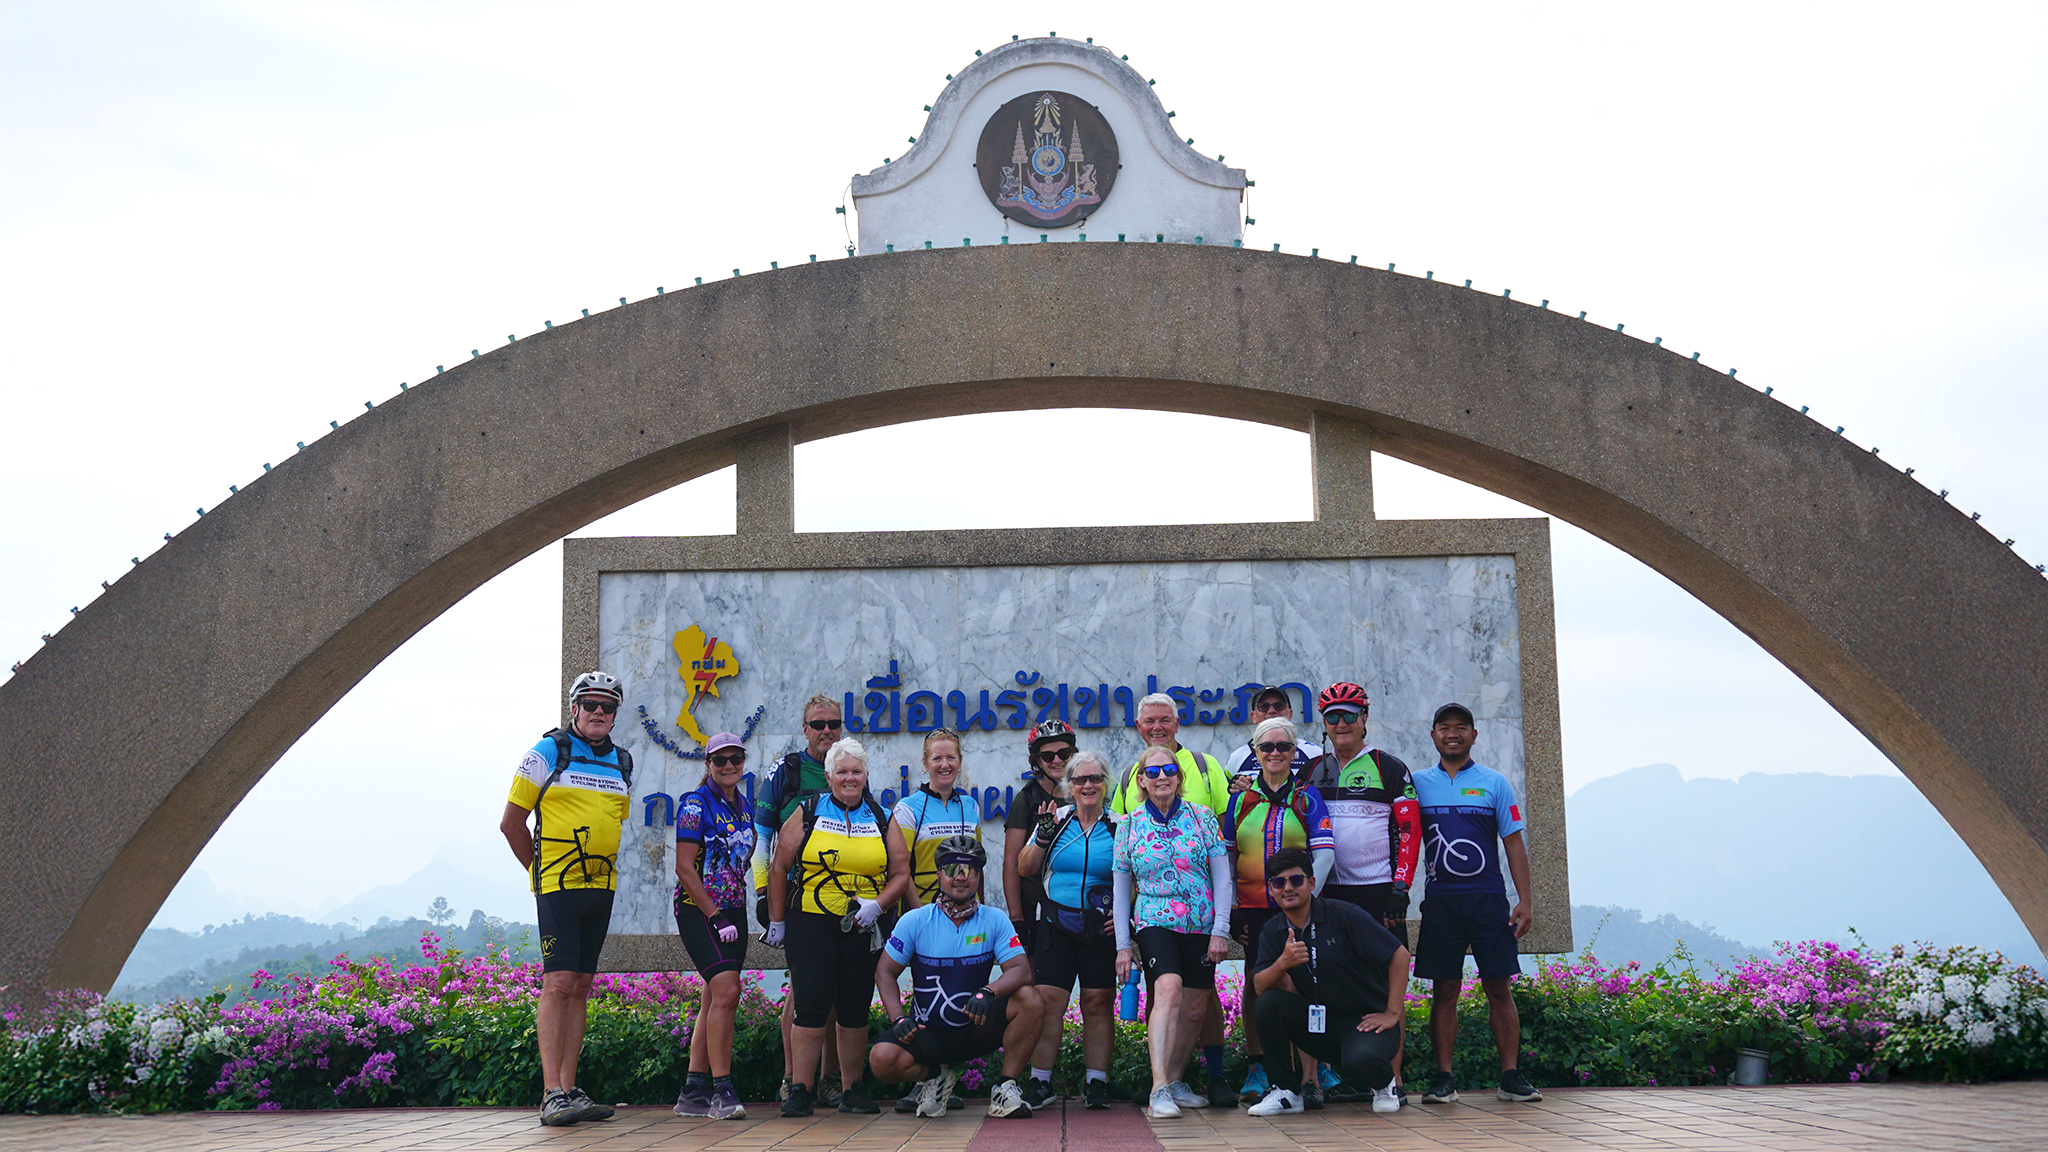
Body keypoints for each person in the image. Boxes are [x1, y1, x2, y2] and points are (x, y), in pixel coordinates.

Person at [499, 671, 633, 1127]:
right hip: (557, 886)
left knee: (580, 985)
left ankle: (571, 1088)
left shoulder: (623, 762)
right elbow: (512, 824)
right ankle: (550, 1092)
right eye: (590, 704)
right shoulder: (547, 752)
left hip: (601, 887)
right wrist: (537, 875)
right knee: (557, 984)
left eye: (607, 706)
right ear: (573, 708)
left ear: (615, 714)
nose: (599, 712)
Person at [766, 736, 911, 1117]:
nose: (850, 778)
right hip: (811, 922)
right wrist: (777, 920)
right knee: (810, 1008)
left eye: (856, 771)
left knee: (854, 1009)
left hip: (862, 925)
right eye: (842, 771)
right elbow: (779, 865)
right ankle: (800, 1088)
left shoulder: (881, 817)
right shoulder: (808, 811)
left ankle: (853, 1089)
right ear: (829, 776)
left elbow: (900, 874)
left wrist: (878, 906)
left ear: (866, 776)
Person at [1411, 703, 1540, 1105]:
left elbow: (1513, 842)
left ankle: (1510, 1076)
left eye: (1461, 727)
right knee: (1445, 989)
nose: (1453, 733)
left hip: (1488, 901)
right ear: (1433, 735)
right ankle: (1443, 1078)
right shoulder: (1415, 784)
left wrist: (1526, 900)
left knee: (1498, 987)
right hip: (1440, 902)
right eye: (1444, 727)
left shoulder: (1494, 782)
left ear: (1473, 735)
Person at [1109, 693, 1234, 1105]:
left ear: (1179, 776)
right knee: (1168, 988)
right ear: (1141, 781)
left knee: (1197, 1006)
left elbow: (1221, 875)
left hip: (1200, 923)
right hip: (1154, 920)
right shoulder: (1128, 825)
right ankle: (1158, 1085)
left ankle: (1177, 1081)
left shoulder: (1201, 818)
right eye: (1153, 772)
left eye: (1169, 770)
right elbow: (1121, 885)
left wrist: (1221, 930)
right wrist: (1123, 945)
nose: (1161, 777)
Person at [1301, 681, 1421, 1099]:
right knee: (1318, 984)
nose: (1341, 723)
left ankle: (1394, 1080)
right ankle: (1315, 1080)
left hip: (1377, 893)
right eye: (1332, 717)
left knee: (1387, 984)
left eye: (1349, 715)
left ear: (1364, 719)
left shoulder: (1389, 767)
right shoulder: (1313, 770)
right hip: (1329, 893)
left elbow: (1409, 829)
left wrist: (1401, 888)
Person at [871, 836, 1045, 1119]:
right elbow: (884, 971)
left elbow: (1021, 970)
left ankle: (1004, 1088)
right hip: (929, 1034)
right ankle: (935, 1079)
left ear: (980, 877)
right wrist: (898, 1018)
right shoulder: (915, 920)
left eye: (971, 871)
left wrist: (989, 992)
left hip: (977, 1027)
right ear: (939, 874)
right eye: (953, 870)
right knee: (881, 1060)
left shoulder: (994, 919)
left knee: (1030, 998)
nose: (961, 878)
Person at [1244, 847, 1410, 1118]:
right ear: (1271, 890)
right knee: (1268, 1004)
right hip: (1321, 1026)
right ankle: (1286, 1092)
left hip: (1366, 1022)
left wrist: (1392, 1013)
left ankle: (1384, 1085)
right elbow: (1261, 987)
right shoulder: (1273, 930)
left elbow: (1400, 955)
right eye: (1278, 882)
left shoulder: (1344, 914)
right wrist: (1283, 963)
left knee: (1361, 1062)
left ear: (1312, 883)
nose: (1287, 888)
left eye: (1296, 880)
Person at [1222, 717, 1335, 1106]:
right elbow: (1227, 857)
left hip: (1297, 909)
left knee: (1306, 985)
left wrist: (1306, 898)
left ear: (1293, 753)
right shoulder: (1240, 800)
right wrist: (1231, 907)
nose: (1274, 753)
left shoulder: (1307, 797)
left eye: (1283, 747)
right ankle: (1263, 1068)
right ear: (1255, 752)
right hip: (1253, 909)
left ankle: (1310, 1077)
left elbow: (1324, 852)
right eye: (1266, 747)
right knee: (1259, 984)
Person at [1014, 748, 1120, 1111]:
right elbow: (1025, 868)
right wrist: (1042, 837)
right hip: (1056, 923)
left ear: (1106, 783)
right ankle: (1040, 1082)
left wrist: (1125, 917)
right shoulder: (1055, 819)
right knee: (1047, 1003)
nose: (1088, 785)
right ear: (1068, 786)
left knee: (1097, 1002)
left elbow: (1134, 877)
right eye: (1080, 779)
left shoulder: (1120, 825)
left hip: (1099, 926)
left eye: (1095, 778)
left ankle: (1096, 1083)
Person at [753, 694, 845, 1105]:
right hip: (794, 897)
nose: (827, 731)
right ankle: (794, 1078)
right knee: (805, 989)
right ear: (805, 728)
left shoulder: (847, 768)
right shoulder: (786, 770)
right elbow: (761, 837)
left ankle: (829, 1078)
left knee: (834, 988)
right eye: (818, 724)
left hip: (839, 899)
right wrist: (762, 893)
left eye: (833, 723)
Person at [670, 732, 755, 1121]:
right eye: (719, 760)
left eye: (735, 759)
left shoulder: (743, 805)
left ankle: (693, 1089)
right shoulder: (694, 804)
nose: (728, 766)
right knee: (727, 989)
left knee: (713, 997)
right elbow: (685, 869)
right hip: (700, 910)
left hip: (735, 910)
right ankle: (722, 1089)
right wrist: (714, 914)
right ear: (707, 765)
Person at [890, 728, 981, 909]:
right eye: (937, 758)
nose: (944, 765)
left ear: (960, 761)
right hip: (924, 912)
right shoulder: (907, 808)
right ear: (925, 763)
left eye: (951, 758)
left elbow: (978, 866)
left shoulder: (970, 806)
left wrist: (982, 910)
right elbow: (901, 871)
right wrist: (922, 917)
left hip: (968, 915)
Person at [1004, 720, 1076, 948]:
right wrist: (1017, 919)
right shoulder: (1026, 799)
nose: (1057, 760)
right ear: (1036, 760)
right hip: (1036, 903)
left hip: (1078, 903)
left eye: (1064, 753)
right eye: (1047, 756)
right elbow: (1010, 864)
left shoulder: (1088, 793)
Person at [1223, 686, 1322, 781]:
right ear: (1253, 717)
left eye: (1279, 706)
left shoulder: (1314, 754)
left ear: (1290, 714)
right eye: (1264, 706)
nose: (1271, 711)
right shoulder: (1237, 758)